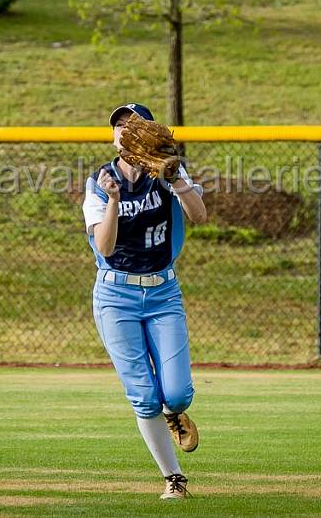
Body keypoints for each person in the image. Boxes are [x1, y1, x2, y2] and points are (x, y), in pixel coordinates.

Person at [81, 102, 208, 500]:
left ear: (149, 132)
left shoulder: (169, 171)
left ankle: (175, 412)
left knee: (178, 394)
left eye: (133, 124)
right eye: (118, 125)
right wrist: (115, 200)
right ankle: (174, 478)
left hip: (163, 291)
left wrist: (176, 178)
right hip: (115, 294)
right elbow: (104, 244)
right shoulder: (101, 179)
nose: (124, 130)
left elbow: (199, 216)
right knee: (143, 395)